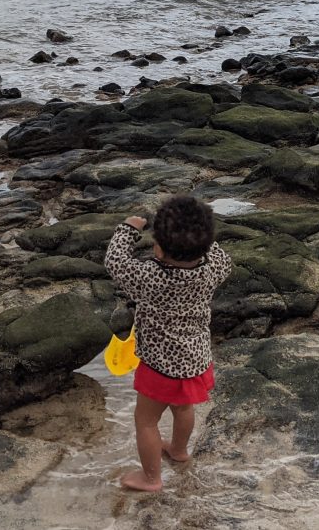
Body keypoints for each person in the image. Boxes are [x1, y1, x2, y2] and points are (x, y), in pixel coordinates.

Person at [104, 194, 233, 492]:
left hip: (160, 366)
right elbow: (218, 254)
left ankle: (151, 478)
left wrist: (127, 228)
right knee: (183, 408)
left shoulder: (150, 276)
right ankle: (178, 450)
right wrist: (200, 236)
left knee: (146, 421)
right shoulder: (213, 268)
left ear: (159, 249)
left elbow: (115, 261)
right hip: (196, 360)